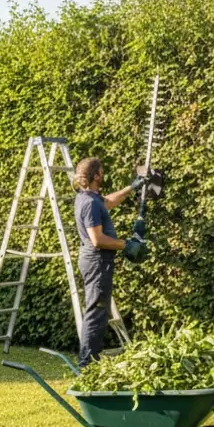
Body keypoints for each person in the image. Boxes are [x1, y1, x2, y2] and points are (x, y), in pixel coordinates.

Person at [73, 157, 144, 368]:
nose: (103, 174)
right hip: (96, 262)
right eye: (101, 171)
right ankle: (87, 364)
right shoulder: (89, 204)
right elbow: (97, 240)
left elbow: (109, 202)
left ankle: (90, 361)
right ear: (96, 176)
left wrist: (132, 188)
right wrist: (126, 245)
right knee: (96, 313)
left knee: (99, 312)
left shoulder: (89, 197)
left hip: (97, 262)